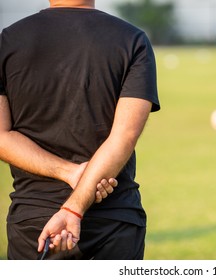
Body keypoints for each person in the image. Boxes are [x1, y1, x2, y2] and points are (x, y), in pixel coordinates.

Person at [0, 0, 160, 259]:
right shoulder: (132, 40)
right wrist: (73, 208)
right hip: (114, 218)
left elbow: (1, 137)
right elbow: (123, 136)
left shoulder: (7, 40)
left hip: (34, 219)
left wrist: (71, 174)